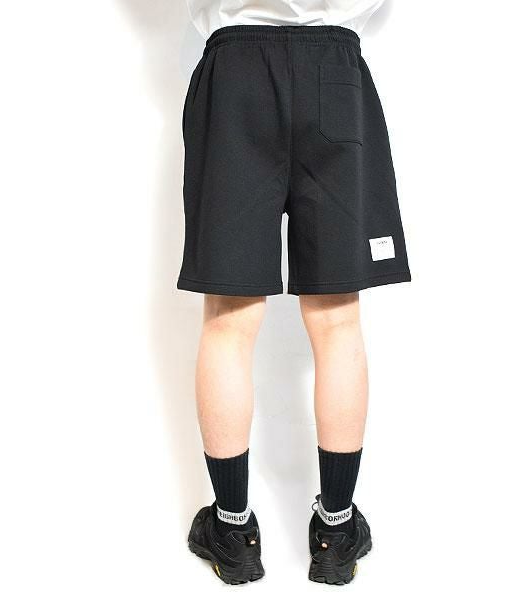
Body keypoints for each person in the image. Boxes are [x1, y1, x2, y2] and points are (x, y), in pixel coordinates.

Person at [179, 0, 411, 585]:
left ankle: (232, 530)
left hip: (235, 73)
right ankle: (336, 531)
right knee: (337, 320)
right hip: (334, 69)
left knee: (229, 317)